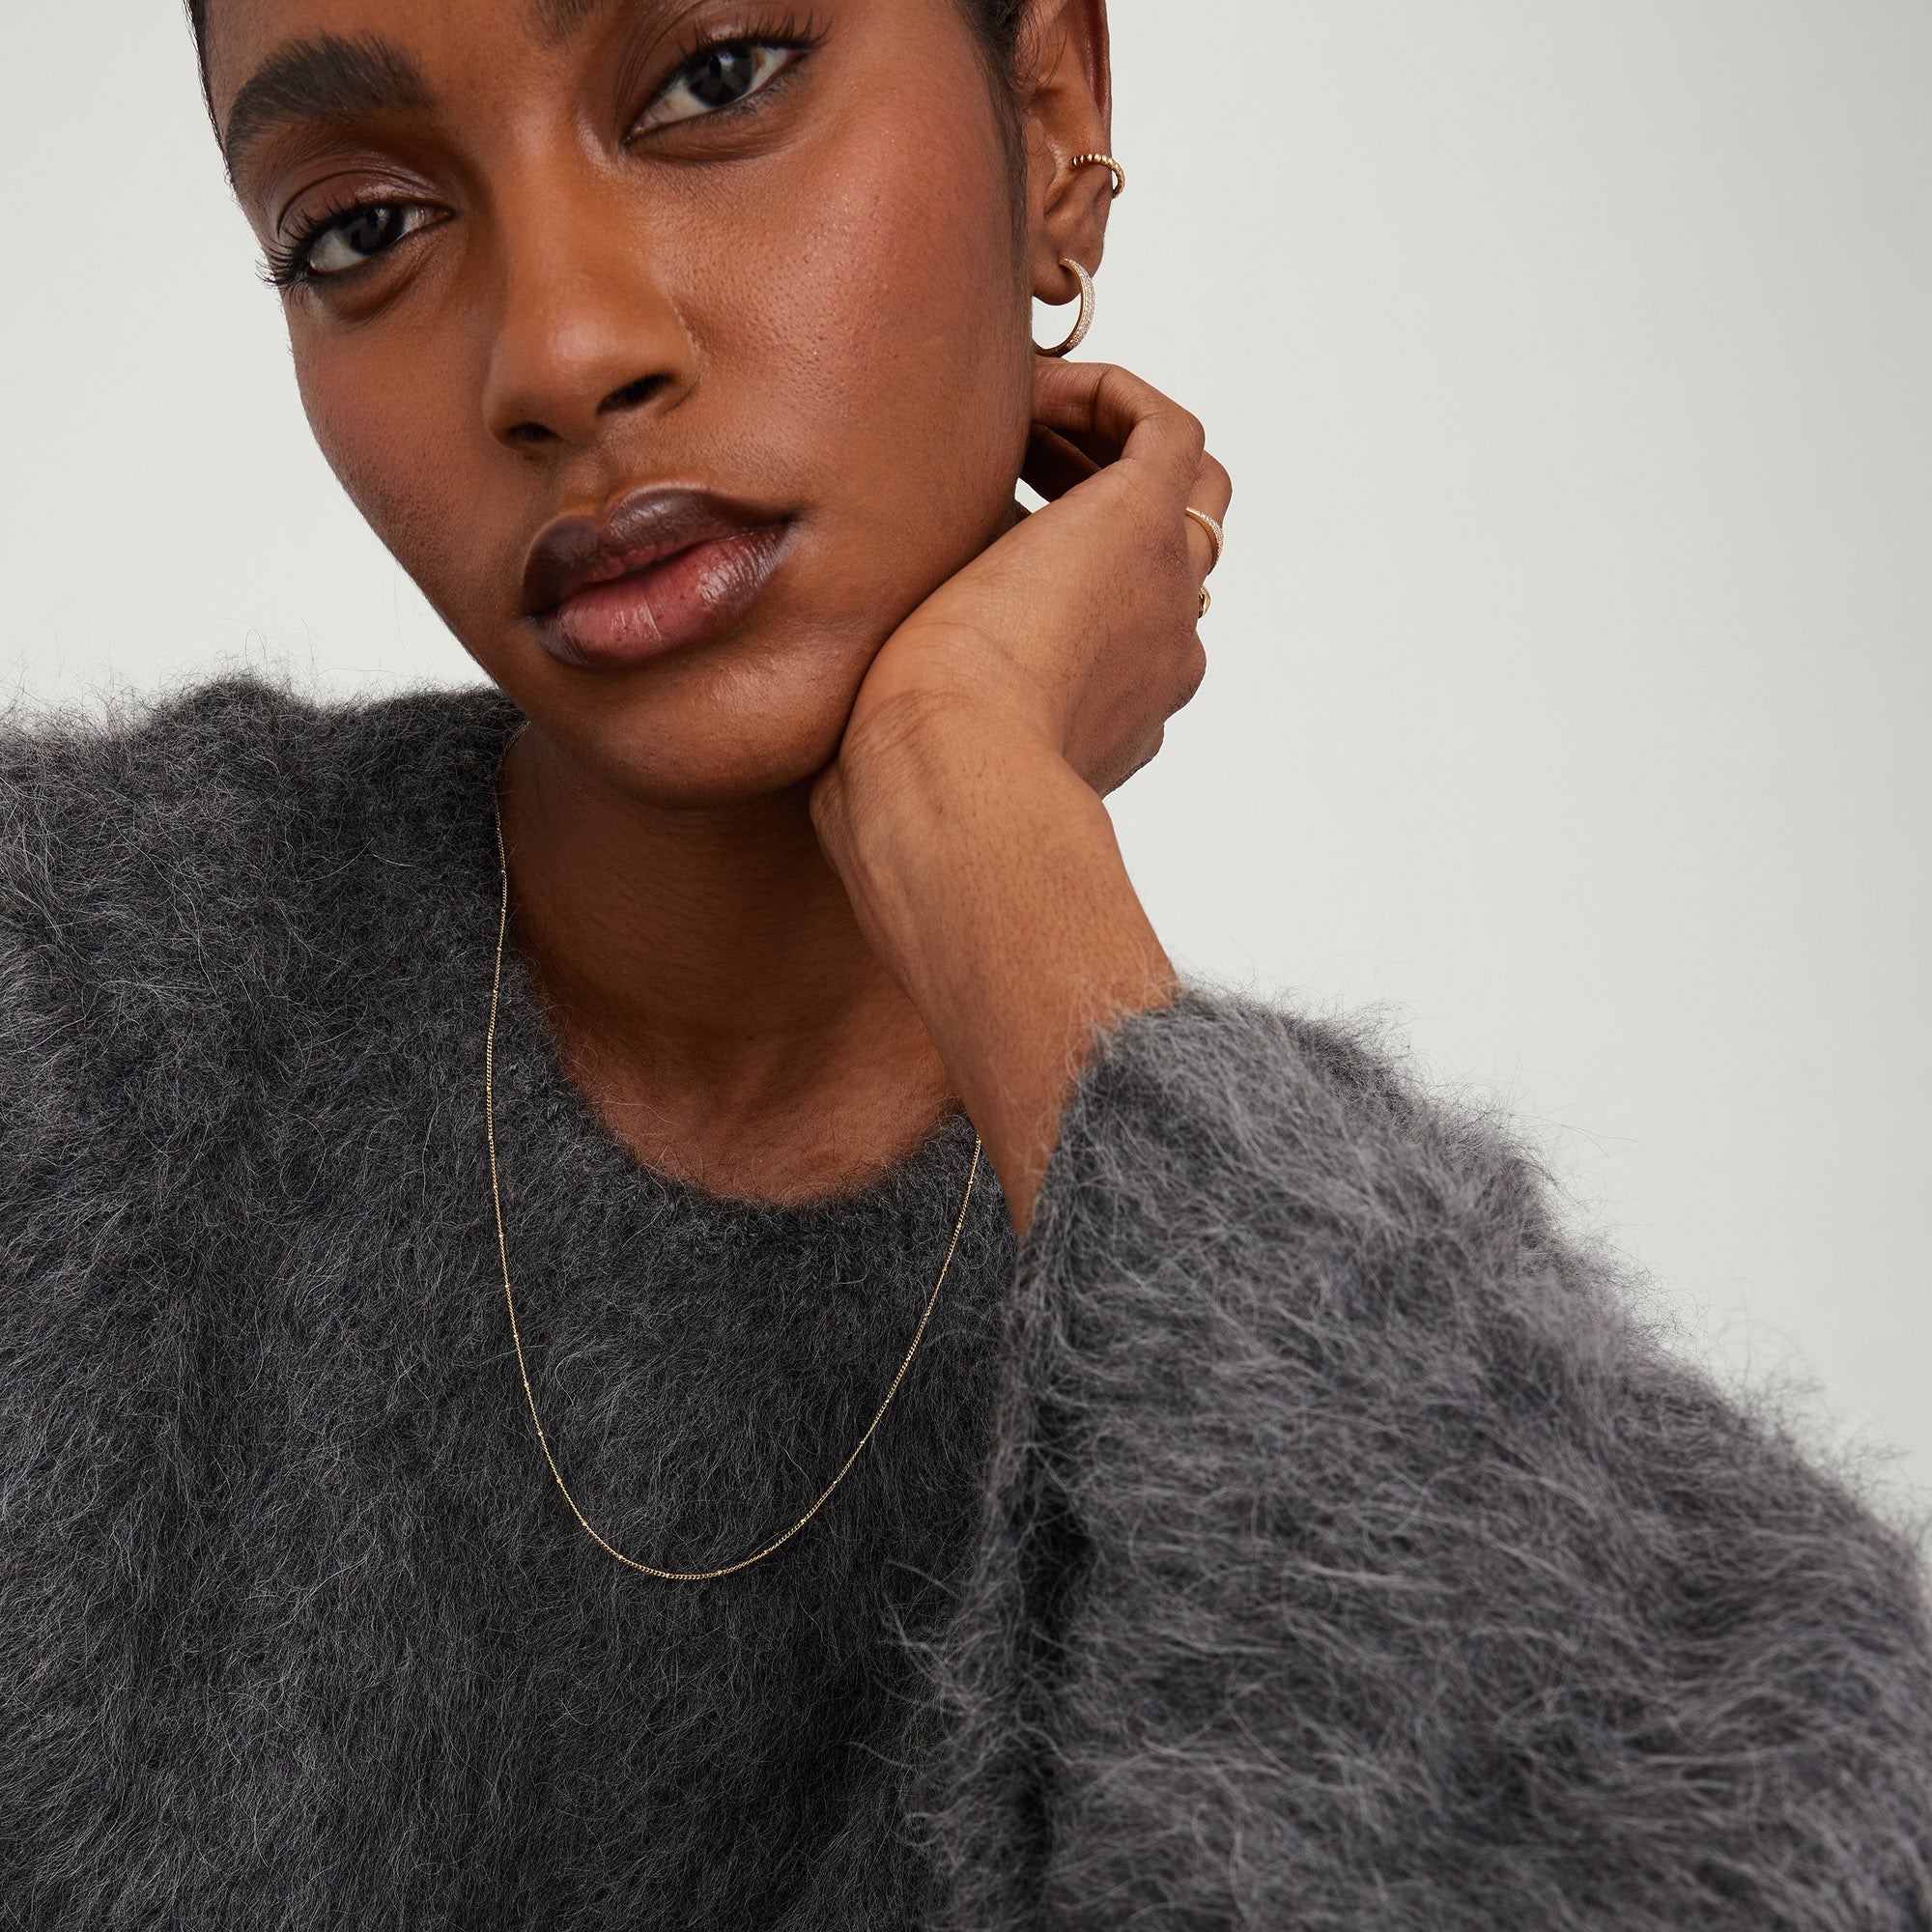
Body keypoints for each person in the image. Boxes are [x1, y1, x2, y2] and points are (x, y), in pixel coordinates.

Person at [3, 0, 1927, 1924]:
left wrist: (985, 832)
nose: (564, 354)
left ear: (1052, 113)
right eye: (360, 228)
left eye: (715, 79)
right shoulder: (76, 1015)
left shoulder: (1315, 1321)